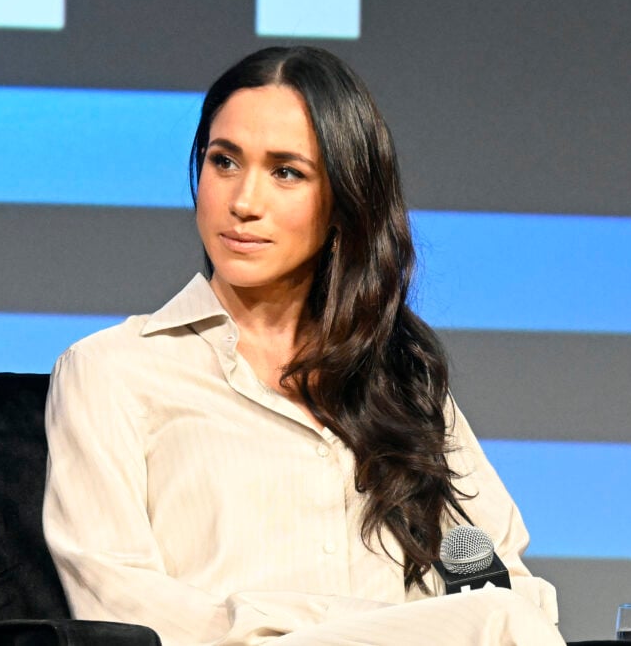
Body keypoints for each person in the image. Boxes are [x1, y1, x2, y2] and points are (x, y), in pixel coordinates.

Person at [43, 46, 565, 645]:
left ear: (343, 203)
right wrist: (319, 625)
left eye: (286, 172)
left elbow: (495, 574)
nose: (243, 201)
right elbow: (114, 599)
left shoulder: (399, 380)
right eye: (224, 162)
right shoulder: (113, 370)